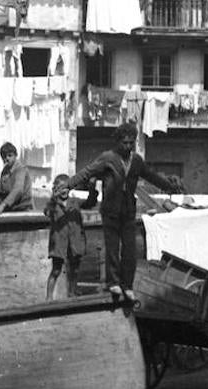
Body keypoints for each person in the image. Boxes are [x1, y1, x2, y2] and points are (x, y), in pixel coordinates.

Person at [69, 122, 185, 293]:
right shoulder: (108, 158)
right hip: (110, 210)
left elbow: (151, 176)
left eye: (131, 142)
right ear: (118, 142)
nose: (128, 146)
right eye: (125, 143)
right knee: (113, 249)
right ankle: (113, 283)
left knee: (130, 251)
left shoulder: (136, 160)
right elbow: (87, 172)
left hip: (128, 210)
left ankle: (127, 285)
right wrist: (68, 185)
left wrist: (170, 186)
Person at [43, 173, 97, 300]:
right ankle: (48, 297)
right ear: (55, 189)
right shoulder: (53, 204)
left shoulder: (74, 202)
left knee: (75, 270)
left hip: (74, 241)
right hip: (59, 243)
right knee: (56, 271)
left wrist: (92, 188)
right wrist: (53, 197)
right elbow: (46, 211)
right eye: (60, 188)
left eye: (66, 187)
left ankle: (72, 292)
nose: (64, 191)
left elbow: (90, 202)